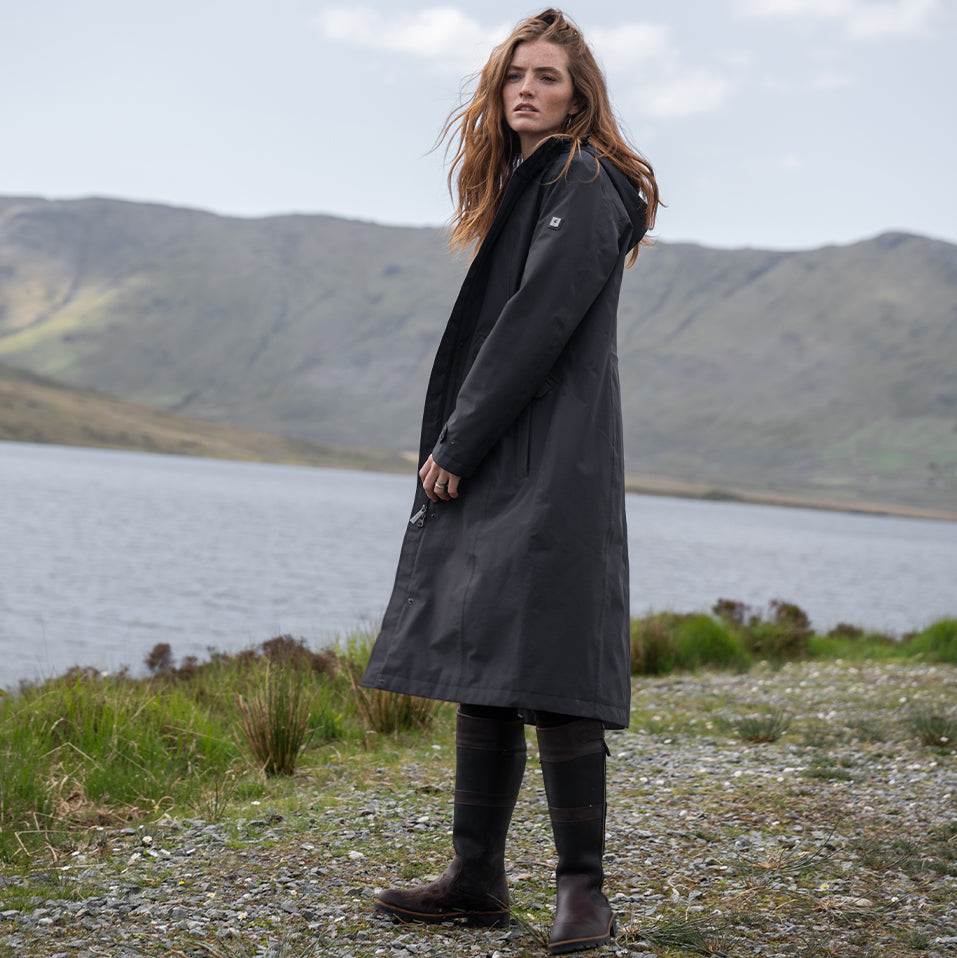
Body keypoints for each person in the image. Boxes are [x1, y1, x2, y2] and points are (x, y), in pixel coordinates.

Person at [361, 8, 660, 955]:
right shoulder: (538, 186)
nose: (526, 90)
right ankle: (476, 876)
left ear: (581, 98)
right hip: (511, 456)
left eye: (548, 78)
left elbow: (533, 326)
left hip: (547, 459)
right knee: (486, 658)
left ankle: (584, 893)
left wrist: (456, 442)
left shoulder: (583, 180)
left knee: (558, 669)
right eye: (514, 77)